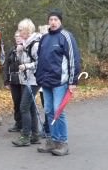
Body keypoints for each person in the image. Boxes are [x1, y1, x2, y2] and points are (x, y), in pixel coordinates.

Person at [36, 10, 81, 156]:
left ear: (60, 21)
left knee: (58, 111)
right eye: (50, 19)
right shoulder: (44, 38)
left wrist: (73, 80)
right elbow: (40, 59)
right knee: (48, 110)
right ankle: (52, 141)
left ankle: (62, 142)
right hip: (46, 82)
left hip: (61, 81)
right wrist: (39, 77)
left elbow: (74, 58)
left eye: (55, 19)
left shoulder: (66, 36)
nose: (53, 22)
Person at [12, 18, 42, 146]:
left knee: (23, 106)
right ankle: (35, 135)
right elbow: (21, 60)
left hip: (34, 79)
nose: (19, 32)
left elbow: (39, 62)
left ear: (27, 30)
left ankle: (25, 136)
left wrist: (27, 66)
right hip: (25, 79)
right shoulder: (25, 43)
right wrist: (19, 52)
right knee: (30, 107)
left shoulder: (34, 44)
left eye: (21, 30)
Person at [4, 31, 23, 132]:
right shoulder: (12, 50)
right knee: (16, 102)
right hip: (13, 80)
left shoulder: (26, 49)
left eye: (19, 36)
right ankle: (18, 123)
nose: (18, 38)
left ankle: (27, 125)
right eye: (16, 36)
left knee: (24, 103)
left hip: (24, 80)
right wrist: (6, 81)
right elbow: (7, 65)